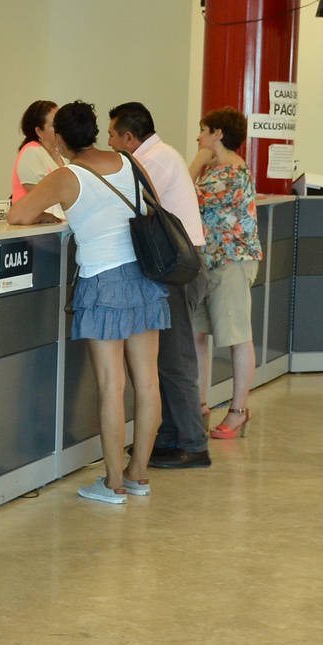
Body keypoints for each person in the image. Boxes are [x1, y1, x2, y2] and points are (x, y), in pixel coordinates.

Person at [7, 100, 168, 504]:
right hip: (144, 277)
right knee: (147, 381)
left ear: (60, 140)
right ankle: (138, 474)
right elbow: (153, 203)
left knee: (111, 385)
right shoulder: (129, 161)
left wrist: (53, 214)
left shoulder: (67, 176)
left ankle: (113, 483)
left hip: (103, 281)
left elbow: (18, 215)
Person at [106, 102, 211, 470]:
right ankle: (166, 438)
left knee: (175, 359)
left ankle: (193, 444)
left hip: (177, 271)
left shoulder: (153, 161)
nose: (109, 142)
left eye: (112, 135)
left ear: (129, 137)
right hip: (176, 268)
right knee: (164, 358)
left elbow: (126, 207)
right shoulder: (159, 156)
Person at [189, 107, 263, 442]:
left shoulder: (232, 171)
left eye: (203, 130)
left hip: (231, 261)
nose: (198, 137)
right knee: (197, 334)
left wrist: (198, 159)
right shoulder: (215, 169)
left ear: (218, 134)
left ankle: (238, 410)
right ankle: (199, 406)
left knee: (237, 336)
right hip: (207, 263)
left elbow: (184, 195)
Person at [12, 99, 66, 202]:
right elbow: (44, 199)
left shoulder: (61, 153)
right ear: (39, 131)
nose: (62, 128)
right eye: (55, 125)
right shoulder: (30, 152)